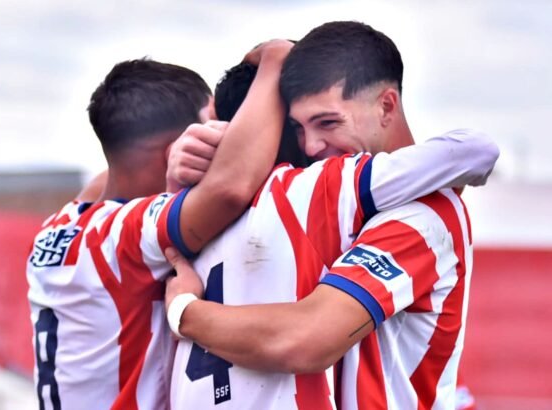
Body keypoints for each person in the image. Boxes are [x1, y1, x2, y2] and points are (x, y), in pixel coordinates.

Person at [165, 22, 499, 409]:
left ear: (386, 105)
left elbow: (306, 339)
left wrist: (185, 311)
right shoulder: (311, 196)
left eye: (327, 123)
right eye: (296, 128)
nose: (311, 144)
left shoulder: (420, 215)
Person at [26, 44, 290, 410]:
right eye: (212, 126)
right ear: (176, 148)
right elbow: (230, 189)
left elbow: (119, 172)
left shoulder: (60, 225)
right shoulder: (127, 235)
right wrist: (276, 58)